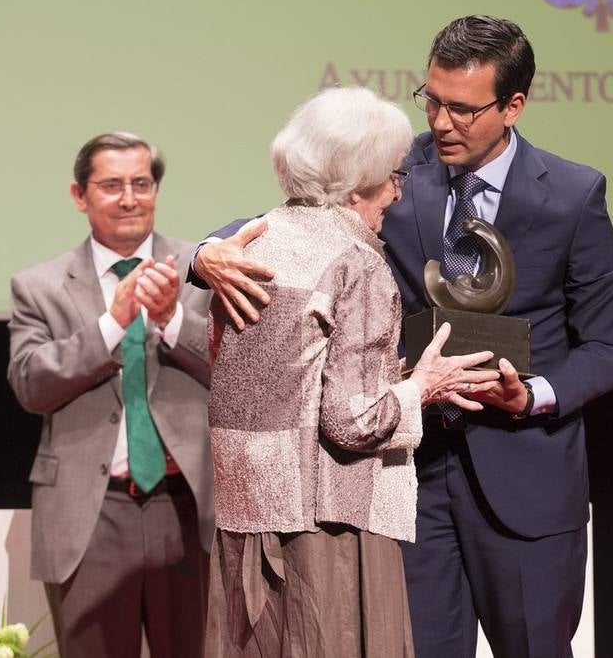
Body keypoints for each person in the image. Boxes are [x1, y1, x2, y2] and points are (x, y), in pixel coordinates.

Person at [192, 16, 613, 658]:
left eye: (461, 108)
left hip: (526, 479)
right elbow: (288, 221)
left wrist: (532, 395)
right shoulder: (396, 171)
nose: (439, 122)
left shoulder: (572, 196)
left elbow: (612, 346)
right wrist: (208, 252)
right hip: (410, 475)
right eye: (430, 100)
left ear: (513, 106)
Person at [202, 86, 499, 658]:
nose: (395, 190)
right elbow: (352, 421)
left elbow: (266, 378)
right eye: (393, 175)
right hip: (325, 534)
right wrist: (421, 387)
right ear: (358, 180)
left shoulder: (249, 246)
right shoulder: (356, 264)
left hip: (248, 521)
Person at [8, 132, 214, 658]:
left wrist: (171, 320)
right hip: (91, 515)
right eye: (112, 185)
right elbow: (31, 383)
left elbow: (240, 376)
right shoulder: (40, 286)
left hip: (187, 507)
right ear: (80, 196)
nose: (129, 198)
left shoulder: (200, 270)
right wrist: (110, 325)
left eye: (141, 184)